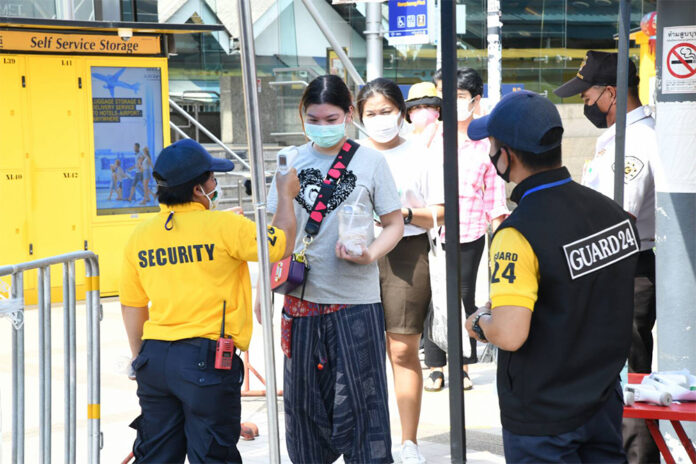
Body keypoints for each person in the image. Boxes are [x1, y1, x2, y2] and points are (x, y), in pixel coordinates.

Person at [464, 90, 638, 463]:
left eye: (491, 146)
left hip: (544, 419)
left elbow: (510, 334)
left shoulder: (518, 233)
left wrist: (479, 322)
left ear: (505, 156)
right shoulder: (612, 213)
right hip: (603, 403)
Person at [120, 138, 299, 463]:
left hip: (155, 359)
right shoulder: (226, 226)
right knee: (212, 456)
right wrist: (285, 196)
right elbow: (281, 245)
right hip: (205, 362)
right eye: (212, 179)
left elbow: (133, 304)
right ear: (198, 189)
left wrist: (138, 359)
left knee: (157, 456)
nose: (215, 185)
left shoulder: (140, 235)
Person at [263, 74, 403, 464]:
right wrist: (286, 197)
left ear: (349, 114)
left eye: (331, 118)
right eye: (314, 118)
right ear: (301, 116)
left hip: (356, 304)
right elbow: (280, 243)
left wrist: (371, 253)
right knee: (305, 414)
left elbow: (393, 223)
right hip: (301, 305)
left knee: (364, 411)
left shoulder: (371, 161)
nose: (322, 127)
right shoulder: (289, 162)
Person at [554, 50, 658, 464]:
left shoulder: (637, 140)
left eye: (588, 95)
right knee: (609, 371)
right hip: (612, 264)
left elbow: (618, 216)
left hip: (627, 269)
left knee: (628, 374)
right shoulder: (618, 136)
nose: (584, 103)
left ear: (611, 93)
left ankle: (637, 457)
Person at [356, 77, 444, 464]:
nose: (379, 119)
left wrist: (403, 214)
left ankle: (408, 442)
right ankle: (367, 436)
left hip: (406, 253)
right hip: (356, 255)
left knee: (402, 348)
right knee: (358, 351)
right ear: (358, 117)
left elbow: (441, 211)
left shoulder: (420, 154)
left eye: (386, 111)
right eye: (370, 113)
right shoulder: (350, 155)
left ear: (402, 113)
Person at [423, 68, 509, 392]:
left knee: (463, 297)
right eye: (445, 94)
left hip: (469, 232)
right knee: (434, 296)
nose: (452, 102)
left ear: (475, 100)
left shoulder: (485, 143)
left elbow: (495, 195)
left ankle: (462, 364)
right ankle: (435, 364)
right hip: (429, 230)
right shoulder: (430, 136)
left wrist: (500, 235)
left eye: (459, 96)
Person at [404, 82, 442, 147]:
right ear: (409, 112)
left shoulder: (447, 136)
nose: (423, 111)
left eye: (428, 106)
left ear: (437, 109)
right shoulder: (403, 140)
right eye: (417, 107)